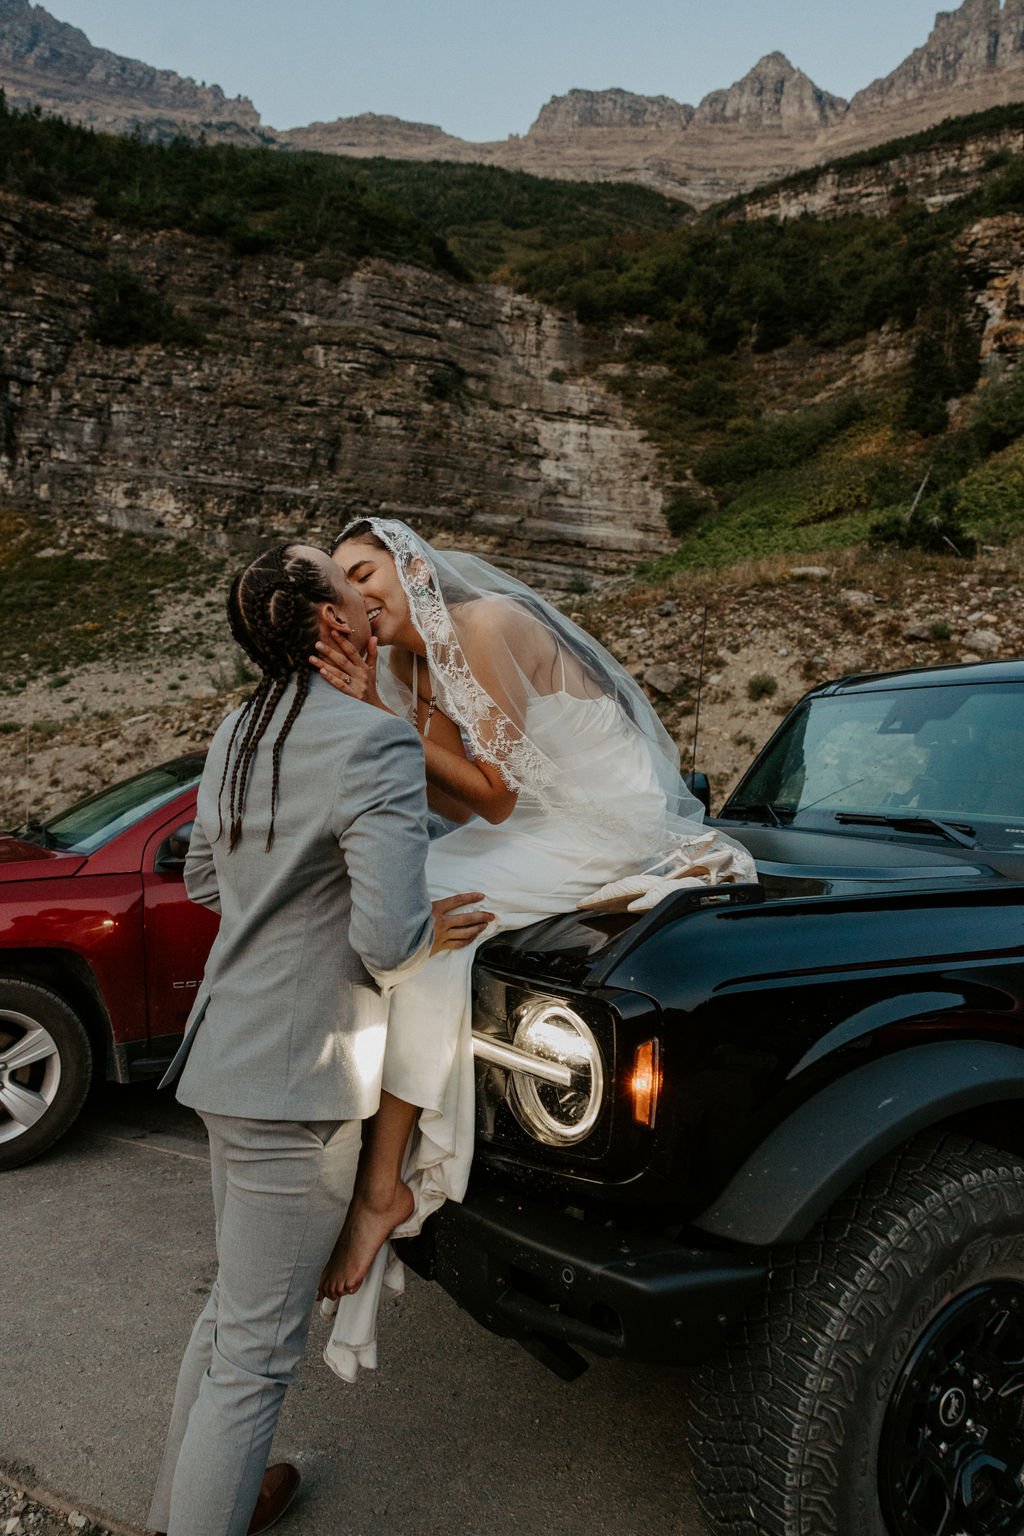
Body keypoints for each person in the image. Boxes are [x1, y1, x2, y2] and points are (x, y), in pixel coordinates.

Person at [311, 517, 754, 1378]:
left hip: (604, 829)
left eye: (368, 570)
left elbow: (501, 803)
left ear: (412, 568)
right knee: (391, 895)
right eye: (343, 585)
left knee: (432, 911)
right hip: (537, 825)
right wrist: (370, 712)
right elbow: (473, 811)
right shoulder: (406, 666)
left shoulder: (487, 626)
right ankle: (362, 1128)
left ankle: (381, 1188)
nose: (358, 593)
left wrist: (376, 714)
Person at [146, 542, 490, 1536]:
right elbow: (387, 939)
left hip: (226, 1057)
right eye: (342, 579)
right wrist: (431, 928)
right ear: (329, 623)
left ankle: (177, 1512)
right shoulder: (369, 742)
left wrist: (284, 912)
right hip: (299, 1084)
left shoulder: (236, 728)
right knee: (254, 1359)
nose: (361, 586)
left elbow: (207, 883)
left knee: (228, 1326)